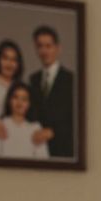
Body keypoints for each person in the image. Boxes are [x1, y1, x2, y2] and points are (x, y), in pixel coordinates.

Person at [26, 25, 74, 158]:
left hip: (64, 150)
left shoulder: (71, 80)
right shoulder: (33, 79)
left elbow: (75, 118)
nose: (44, 51)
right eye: (40, 46)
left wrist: (53, 132)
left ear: (58, 48)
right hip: (38, 149)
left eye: (48, 46)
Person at [0, 81, 49, 159]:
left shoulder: (35, 127)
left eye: (24, 99)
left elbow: (43, 158)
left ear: (29, 104)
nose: (19, 103)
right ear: (9, 100)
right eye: (15, 97)